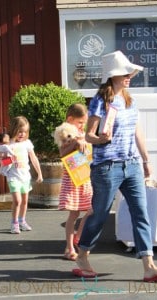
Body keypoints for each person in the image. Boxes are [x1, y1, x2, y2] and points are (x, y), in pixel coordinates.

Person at [73, 50, 157, 282]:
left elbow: (138, 132)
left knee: (141, 214)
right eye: (125, 73)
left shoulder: (129, 99)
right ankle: (82, 254)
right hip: (106, 167)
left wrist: (145, 161)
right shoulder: (99, 101)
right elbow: (89, 136)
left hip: (131, 164)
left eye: (130, 73)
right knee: (100, 214)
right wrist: (101, 138)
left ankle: (149, 265)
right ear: (112, 76)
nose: (129, 76)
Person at [55, 103, 92, 261]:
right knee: (74, 213)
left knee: (93, 208)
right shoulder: (66, 132)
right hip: (73, 176)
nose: (82, 125)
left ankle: (78, 235)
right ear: (70, 119)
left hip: (84, 173)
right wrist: (75, 143)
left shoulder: (83, 132)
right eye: (80, 122)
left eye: (84, 122)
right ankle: (69, 248)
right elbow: (62, 153)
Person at [0, 116, 43, 234]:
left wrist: (39, 173)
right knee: (17, 200)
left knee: (25, 201)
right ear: (14, 129)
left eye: (25, 132)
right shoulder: (8, 144)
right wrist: (3, 156)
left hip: (25, 176)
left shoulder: (27, 143)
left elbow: (34, 158)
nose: (22, 134)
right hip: (13, 176)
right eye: (20, 131)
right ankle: (14, 223)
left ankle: (22, 220)